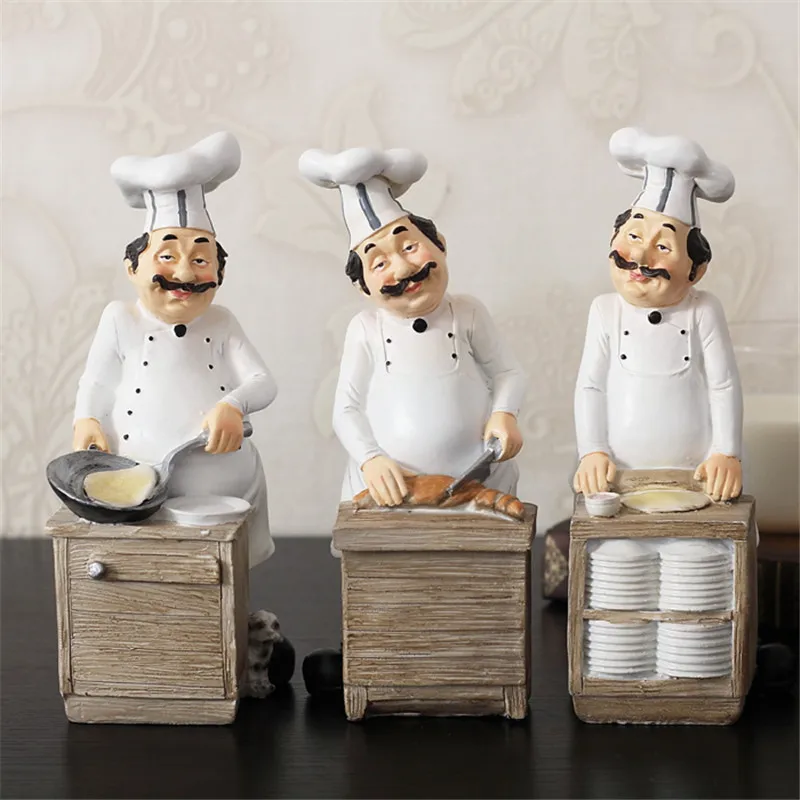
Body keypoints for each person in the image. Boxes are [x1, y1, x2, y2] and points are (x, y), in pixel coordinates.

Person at [298, 146, 527, 695]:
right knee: (391, 581)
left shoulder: (468, 313)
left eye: (409, 246)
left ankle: (472, 658)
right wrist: (371, 458)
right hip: (391, 491)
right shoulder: (365, 330)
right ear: (363, 285)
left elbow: (509, 372)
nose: (402, 268)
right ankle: (387, 660)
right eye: (379, 262)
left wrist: (504, 412)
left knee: (471, 578)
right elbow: (345, 407)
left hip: (475, 480)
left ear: (439, 243)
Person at [73, 131, 277, 566]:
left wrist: (233, 405)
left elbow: (263, 382)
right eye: (166, 257)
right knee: (148, 566)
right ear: (132, 268)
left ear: (220, 273)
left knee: (218, 569)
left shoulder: (222, 322)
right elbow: (97, 381)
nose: (184, 274)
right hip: (136, 480)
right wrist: (86, 418)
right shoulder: (120, 318)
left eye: (201, 260)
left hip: (222, 485)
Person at [573, 127, 742, 502]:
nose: (640, 256)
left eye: (663, 246)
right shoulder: (604, 310)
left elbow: (723, 385)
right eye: (633, 236)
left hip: (694, 474)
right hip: (620, 476)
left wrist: (726, 452)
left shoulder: (703, 310)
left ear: (696, 270)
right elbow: (591, 387)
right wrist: (592, 450)